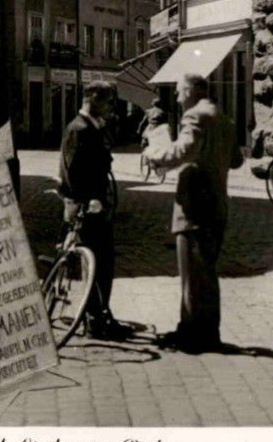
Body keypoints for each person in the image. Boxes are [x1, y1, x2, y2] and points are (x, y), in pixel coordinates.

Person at [145, 73, 242, 353]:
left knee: (192, 273)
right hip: (217, 203)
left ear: (190, 91)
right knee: (206, 272)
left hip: (194, 205)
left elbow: (184, 151)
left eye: (178, 91)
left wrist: (156, 153)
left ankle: (194, 335)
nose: (176, 97)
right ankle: (203, 330)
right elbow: (236, 160)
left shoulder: (195, 117)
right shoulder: (224, 119)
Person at [58, 80, 129, 340]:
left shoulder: (91, 126)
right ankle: (94, 320)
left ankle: (99, 315)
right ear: (94, 99)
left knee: (102, 261)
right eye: (109, 101)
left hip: (93, 205)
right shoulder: (79, 128)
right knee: (98, 261)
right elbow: (73, 169)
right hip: (87, 207)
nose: (111, 107)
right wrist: (88, 201)